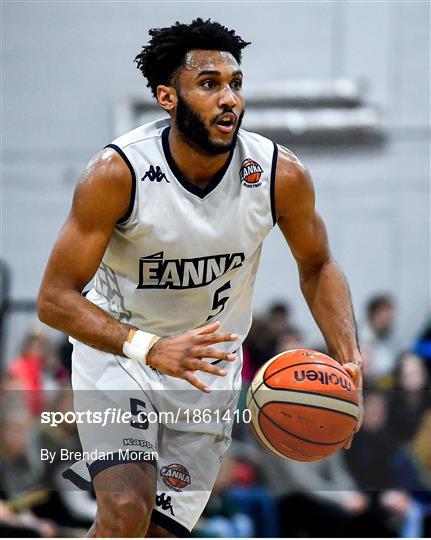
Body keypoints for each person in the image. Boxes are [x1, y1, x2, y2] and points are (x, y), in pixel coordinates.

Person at [37, 18, 363, 537]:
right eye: (209, 84)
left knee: (162, 531)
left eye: (235, 83)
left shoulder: (280, 174)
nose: (228, 97)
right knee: (126, 507)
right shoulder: (117, 173)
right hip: (121, 354)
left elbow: (318, 265)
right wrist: (148, 348)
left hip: (210, 370)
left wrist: (347, 356)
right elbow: (53, 299)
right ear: (168, 96)